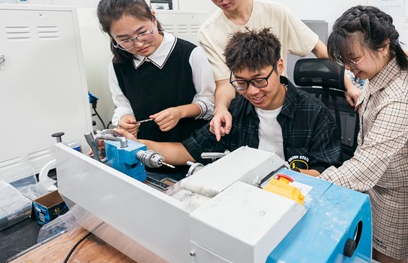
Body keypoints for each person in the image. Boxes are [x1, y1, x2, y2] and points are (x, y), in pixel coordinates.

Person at [318, 6, 408, 263]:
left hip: (399, 196)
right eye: (344, 61)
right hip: (380, 184)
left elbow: (366, 166)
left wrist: (318, 183)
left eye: (354, 59)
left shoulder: (401, 97)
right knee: (375, 259)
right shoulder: (382, 70)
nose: (349, 68)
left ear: (383, 46)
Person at [193, 0, 361, 139]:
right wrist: (221, 109)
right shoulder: (209, 32)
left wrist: (348, 85)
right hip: (246, 114)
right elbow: (224, 83)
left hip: (283, 109)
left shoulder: (276, 12)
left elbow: (319, 49)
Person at [118, 28, 341, 175]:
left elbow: (325, 174)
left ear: (279, 66)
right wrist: (134, 143)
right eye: (241, 82)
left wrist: (271, 174)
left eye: (260, 80)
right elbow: (185, 151)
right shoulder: (235, 110)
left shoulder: (314, 114)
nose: (252, 92)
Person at [96, 0, 215, 148]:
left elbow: (209, 102)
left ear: (153, 18)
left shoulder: (190, 54)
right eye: (125, 40)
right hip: (144, 149)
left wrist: (180, 112)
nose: (139, 44)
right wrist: (125, 117)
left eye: (142, 32)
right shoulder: (118, 65)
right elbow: (123, 105)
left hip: (192, 147)